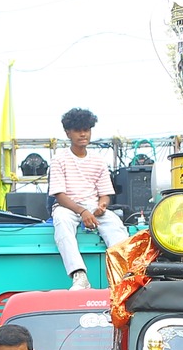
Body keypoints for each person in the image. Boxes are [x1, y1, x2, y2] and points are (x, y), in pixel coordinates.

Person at [48, 107, 128, 290]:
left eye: (86, 129)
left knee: (116, 225)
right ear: (68, 132)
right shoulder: (59, 159)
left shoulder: (99, 161)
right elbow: (60, 196)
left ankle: (121, 278)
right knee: (61, 222)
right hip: (68, 207)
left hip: (92, 207)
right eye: (78, 130)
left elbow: (105, 194)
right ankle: (79, 276)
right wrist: (82, 212)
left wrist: (102, 206)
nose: (83, 134)